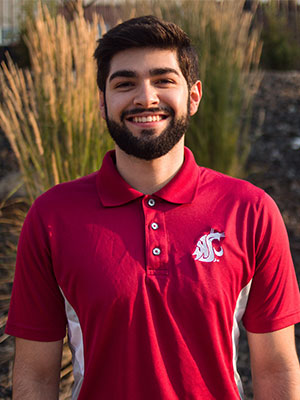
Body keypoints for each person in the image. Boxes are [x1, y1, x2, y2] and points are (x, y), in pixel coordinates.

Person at [5, 15, 300, 400]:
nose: (145, 98)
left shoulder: (251, 211)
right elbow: (36, 374)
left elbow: (275, 366)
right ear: (102, 102)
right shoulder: (51, 218)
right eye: (125, 84)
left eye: (164, 80)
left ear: (193, 97)